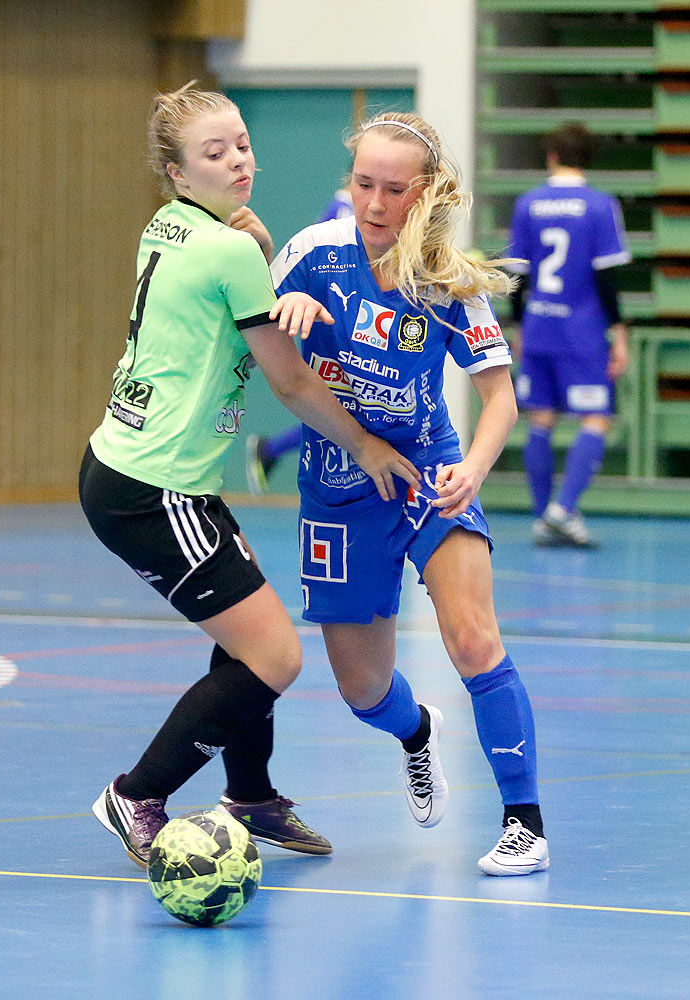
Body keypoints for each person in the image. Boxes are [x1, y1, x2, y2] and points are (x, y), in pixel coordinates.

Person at [80, 84, 420, 867]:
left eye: (240, 143)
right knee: (276, 656)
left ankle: (253, 796)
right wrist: (368, 446)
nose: (238, 160)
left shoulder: (170, 226)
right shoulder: (232, 250)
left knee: (249, 629)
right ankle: (138, 793)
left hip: (133, 471)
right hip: (152, 489)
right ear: (176, 171)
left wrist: (259, 254)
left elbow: (220, 302)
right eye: (214, 152)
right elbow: (293, 383)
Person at [270, 111, 550, 875]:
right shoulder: (312, 255)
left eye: (393, 189)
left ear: (424, 192)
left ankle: (525, 822)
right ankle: (415, 732)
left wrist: (475, 469)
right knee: (363, 691)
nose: (373, 203)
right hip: (337, 490)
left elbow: (501, 399)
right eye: (363, 183)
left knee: (473, 638)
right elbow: (257, 341)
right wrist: (280, 318)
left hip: (429, 473)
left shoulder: (446, 281)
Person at [507, 122, 631, 548]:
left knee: (540, 418)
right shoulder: (600, 206)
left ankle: (544, 517)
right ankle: (563, 509)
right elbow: (607, 276)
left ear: (552, 157)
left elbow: (518, 277)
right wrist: (619, 333)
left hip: (540, 325)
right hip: (582, 330)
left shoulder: (527, 204)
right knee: (596, 417)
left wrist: (519, 326)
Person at [242, 187, 354, 494]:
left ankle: (270, 450)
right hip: (333, 324)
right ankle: (270, 450)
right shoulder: (343, 209)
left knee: (341, 413)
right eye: (366, 181)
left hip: (346, 322)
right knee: (335, 412)